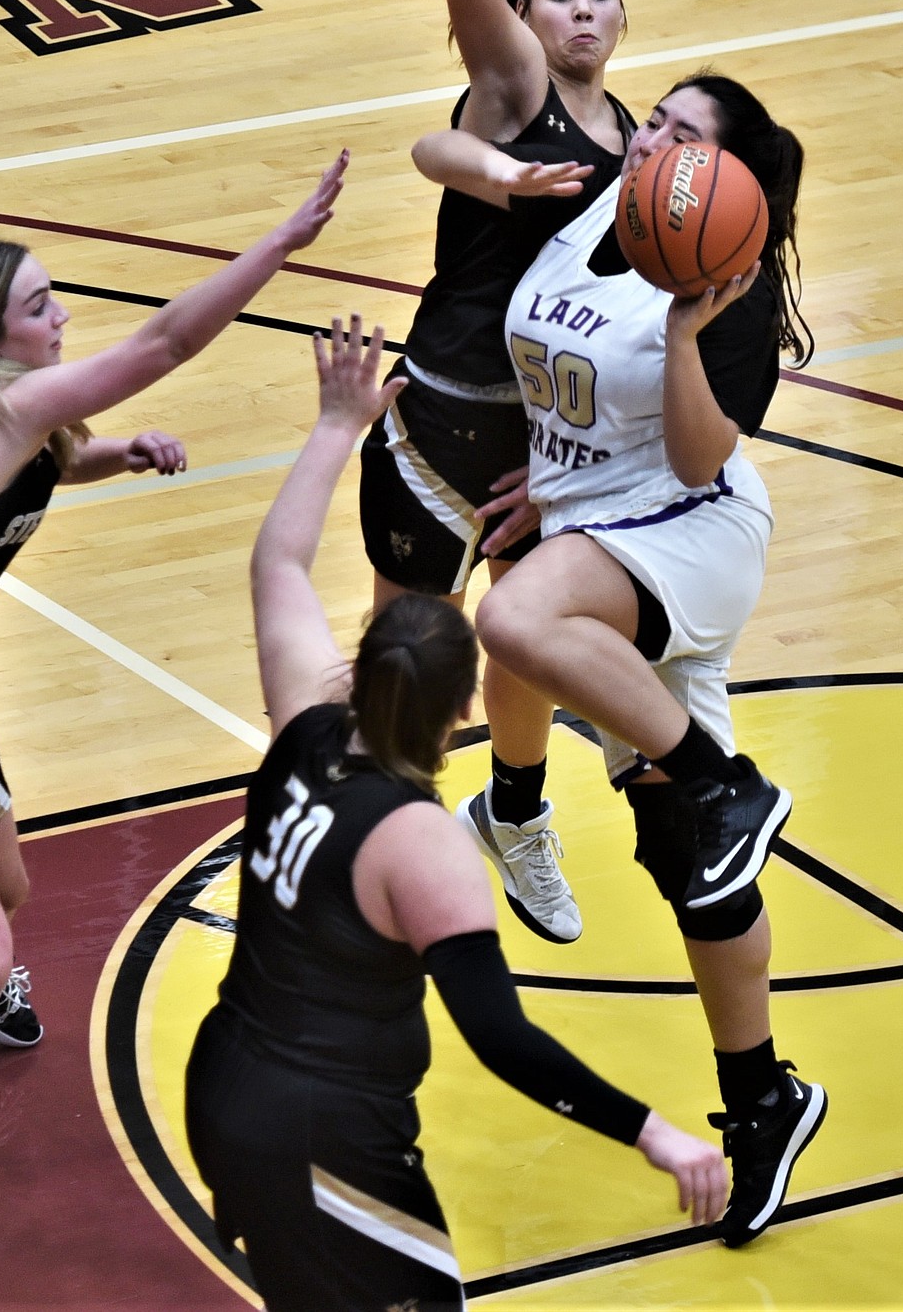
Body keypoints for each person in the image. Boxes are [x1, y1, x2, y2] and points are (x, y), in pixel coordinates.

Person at [0, 154, 347, 1301]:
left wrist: (123, 451)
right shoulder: (5, 402)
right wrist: (277, 245)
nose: (63, 316)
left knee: (0, 896)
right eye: (40, 306)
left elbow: (42, 464)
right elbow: (164, 343)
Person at [184, 315, 728, 1312]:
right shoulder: (421, 843)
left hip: (225, 1083)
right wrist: (654, 1130)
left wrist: (335, 425)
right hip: (323, 1131)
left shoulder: (306, 719)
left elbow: (278, 567)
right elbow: (499, 1035)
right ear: (467, 710)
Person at [412, 72, 826, 1248]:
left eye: (684, 136)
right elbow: (442, 156)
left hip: (688, 532)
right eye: (659, 121)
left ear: (725, 171)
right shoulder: (606, 199)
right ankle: (764, 1103)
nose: (657, 140)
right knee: (694, 866)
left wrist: (692, 329)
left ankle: (708, 780)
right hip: (597, 528)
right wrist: (545, 471)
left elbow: (698, 461)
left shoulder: (724, 272)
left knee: (513, 623)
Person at [361, 0, 638, 948]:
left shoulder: (644, 147)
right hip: (436, 427)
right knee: (409, 665)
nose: (580, 12)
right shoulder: (515, 86)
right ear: (526, 15)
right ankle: (377, 851)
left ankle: (514, 814)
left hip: (541, 451)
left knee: (520, 655)